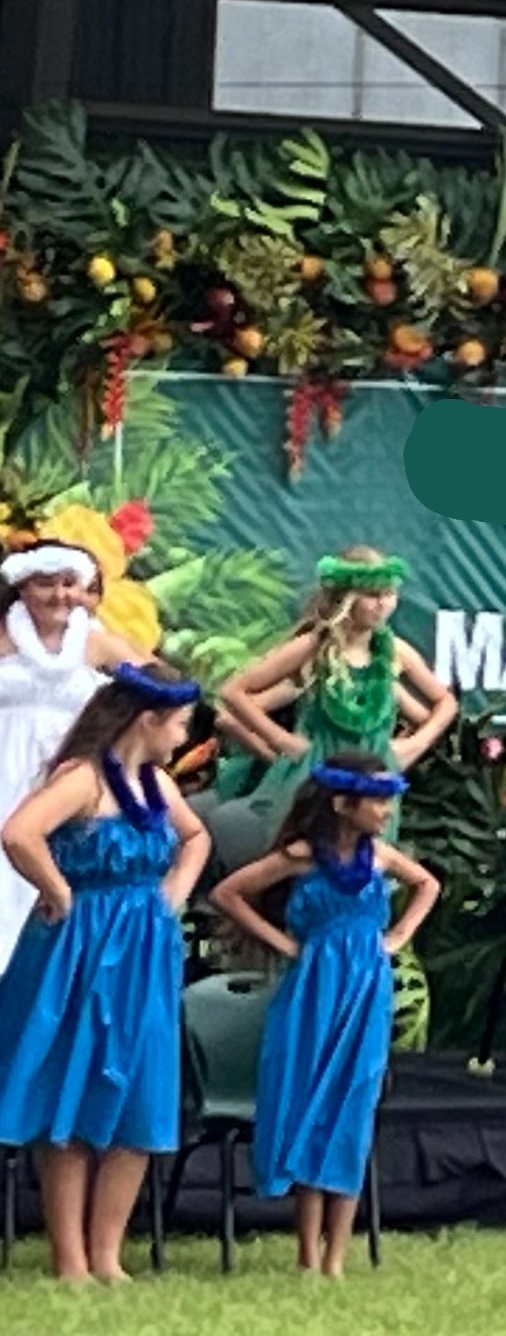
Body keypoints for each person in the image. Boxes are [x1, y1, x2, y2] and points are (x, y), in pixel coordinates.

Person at [0, 660, 209, 1284]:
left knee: (138, 1091)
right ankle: (70, 1259)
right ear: (147, 719)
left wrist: (171, 895)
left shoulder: (157, 787)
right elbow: (19, 833)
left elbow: (195, 838)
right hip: (79, 949)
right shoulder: (83, 779)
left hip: (144, 949)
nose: (182, 739)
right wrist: (60, 891)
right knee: (74, 1088)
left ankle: (108, 1256)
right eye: (179, 726)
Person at [205, 755, 441, 1275]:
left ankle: (336, 1257)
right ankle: (307, 1253)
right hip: (313, 991)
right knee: (311, 1106)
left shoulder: (378, 856)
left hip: (366, 991)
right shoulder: (299, 856)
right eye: (376, 800)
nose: (385, 810)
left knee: (352, 1109)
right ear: (342, 804)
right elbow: (228, 893)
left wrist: (398, 937)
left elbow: (428, 885)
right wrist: (284, 944)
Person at [219, 548, 456, 823]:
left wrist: (415, 744)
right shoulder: (312, 647)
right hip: (315, 775)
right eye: (372, 595)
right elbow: (233, 692)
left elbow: (446, 702)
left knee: (365, 859)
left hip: (374, 779)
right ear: (347, 598)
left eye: (388, 594)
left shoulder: (395, 652)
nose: (382, 604)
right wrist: (279, 739)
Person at [0, 543, 142, 961]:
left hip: (72, 779)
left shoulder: (98, 644)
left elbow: (162, 690)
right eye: (46, 583)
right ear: (23, 586)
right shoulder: (2, 638)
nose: (60, 595)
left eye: (68, 584)